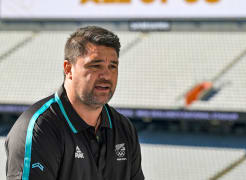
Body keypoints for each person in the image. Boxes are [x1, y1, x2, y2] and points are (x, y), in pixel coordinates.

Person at [5, 26, 145, 180]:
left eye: (113, 66)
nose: (106, 75)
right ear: (68, 68)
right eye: (95, 65)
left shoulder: (123, 128)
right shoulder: (40, 128)